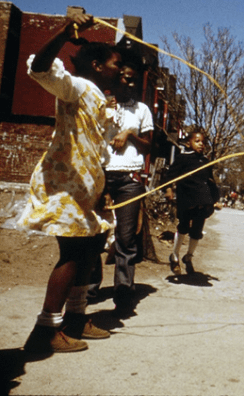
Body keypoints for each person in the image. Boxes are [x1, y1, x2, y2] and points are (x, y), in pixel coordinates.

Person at [19, 13, 120, 353]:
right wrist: (63, 33)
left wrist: (102, 191)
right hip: (66, 185)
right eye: (114, 64)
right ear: (95, 64)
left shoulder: (98, 98)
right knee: (73, 253)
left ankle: (76, 319)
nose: (120, 70)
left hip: (88, 189)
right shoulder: (75, 88)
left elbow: (99, 151)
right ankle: (46, 329)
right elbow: (40, 68)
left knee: (90, 249)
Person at [101, 49, 154, 313]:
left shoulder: (142, 110)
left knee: (125, 238)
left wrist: (130, 134)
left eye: (134, 80)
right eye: (125, 78)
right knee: (94, 235)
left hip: (130, 179)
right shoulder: (101, 103)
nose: (130, 84)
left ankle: (123, 294)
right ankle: (86, 292)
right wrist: (104, 112)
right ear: (115, 78)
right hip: (101, 175)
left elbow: (148, 148)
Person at [163, 130, 218, 275]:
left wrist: (215, 200)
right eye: (197, 141)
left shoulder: (205, 161)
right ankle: (174, 256)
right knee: (183, 227)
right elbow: (170, 175)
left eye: (203, 142)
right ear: (188, 143)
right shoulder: (183, 159)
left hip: (202, 200)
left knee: (197, 230)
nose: (201, 144)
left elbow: (210, 182)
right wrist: (169, 189)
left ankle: (188, 257)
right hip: (186, 198)